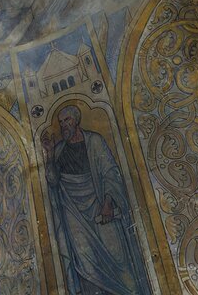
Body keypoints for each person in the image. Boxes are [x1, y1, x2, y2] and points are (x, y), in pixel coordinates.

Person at [41, 105, 151, 295]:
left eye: (67, 120)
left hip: (101, 208)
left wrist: (108, 202)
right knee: (86, 265)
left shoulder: (95, 141)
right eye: (61, 122)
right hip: (74, 215)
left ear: (76, 120)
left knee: (118, 258)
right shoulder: (58, 150)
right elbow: (52, 180)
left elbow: (111, 173)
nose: (64, 125)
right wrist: (49, 155)